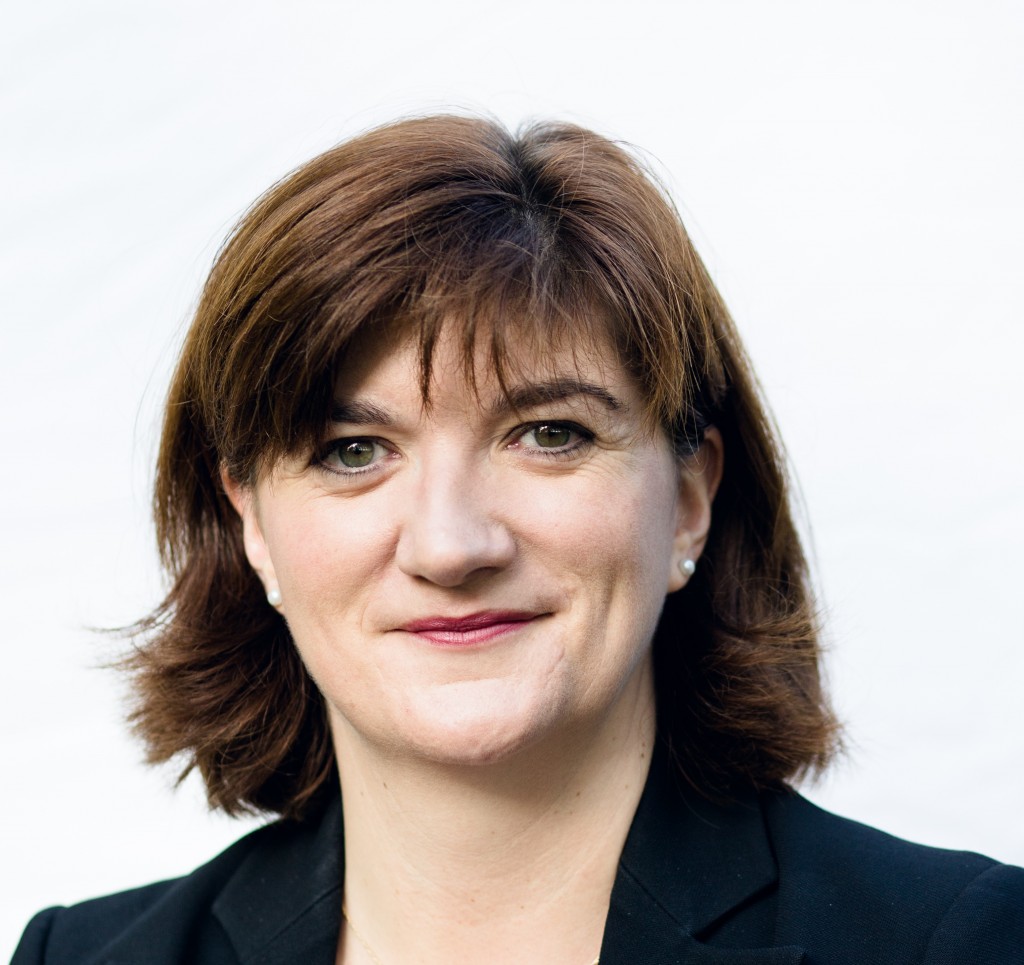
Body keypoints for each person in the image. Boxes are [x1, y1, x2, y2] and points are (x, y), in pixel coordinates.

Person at [13, 114, 1023, 965]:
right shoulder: (82, 955)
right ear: (253, 524)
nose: (450, 544)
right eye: (354, 449)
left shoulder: (956, 940)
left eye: (549, 434)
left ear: (690, 499)